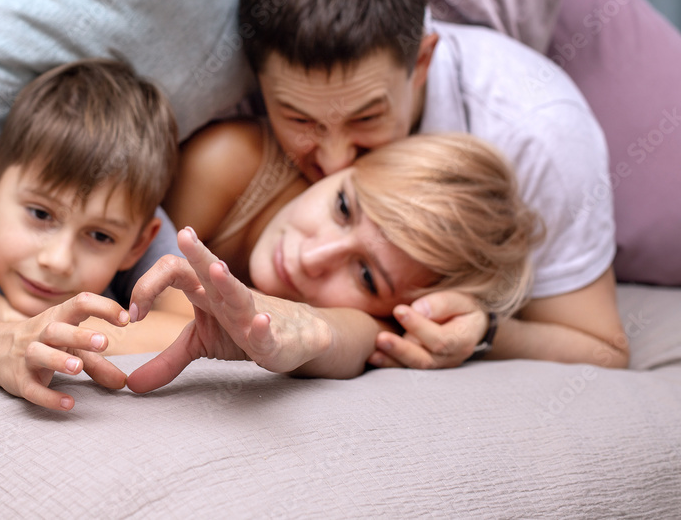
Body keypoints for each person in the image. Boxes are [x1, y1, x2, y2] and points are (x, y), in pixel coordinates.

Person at [204, 0, 628, 371]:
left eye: (366, 118)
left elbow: (604, 351)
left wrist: (486, 330)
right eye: (299, 119)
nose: (334, 160)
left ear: (422, 62)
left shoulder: (541, 138)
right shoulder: (236, 131)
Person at [127, 132, 543, 392]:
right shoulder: (229, 165)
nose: (311, 256)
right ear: (344, 164)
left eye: (366, 275)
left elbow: (348, 334)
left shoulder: (378, 326)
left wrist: (483, 330)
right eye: (343, 206)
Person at [0, 59, 191, 411]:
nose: (57, 260)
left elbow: (196, 327)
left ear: (138, 243)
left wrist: (5, 312)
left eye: (99, 236)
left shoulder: (129, 216)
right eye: (40, 214)